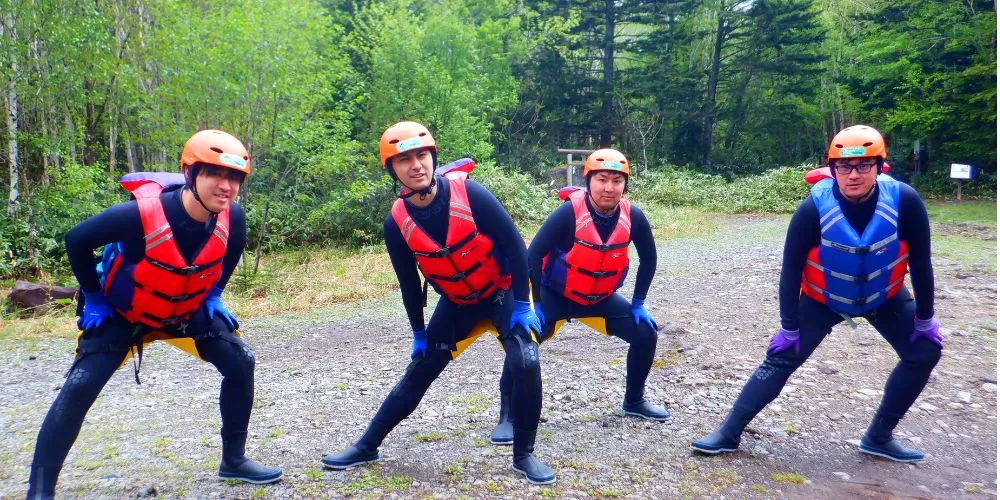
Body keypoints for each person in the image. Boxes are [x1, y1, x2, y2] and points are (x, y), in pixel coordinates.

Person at [26, 130, 282, 499]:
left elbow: (233, 248)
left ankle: (234, 461)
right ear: (190, 173)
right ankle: (40, 489)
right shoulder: (139, 216)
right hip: (124, 312)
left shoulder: (233, 217)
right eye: (215, 174)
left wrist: (214, 294)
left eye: (234, 178)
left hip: (184, 311)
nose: (225, 186)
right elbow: (76, 240)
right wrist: (94, 299)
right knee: (80, 386)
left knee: (241, 361)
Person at [320, 121, 555, 484]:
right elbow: (409, 284)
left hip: (501, 293)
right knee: (420, 370)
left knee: (525, 359)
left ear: (433, 157)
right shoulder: (395, 223)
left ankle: (524, 455)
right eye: (405, 159)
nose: (416, 165)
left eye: (422, 155)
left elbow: (514, 245)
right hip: (457, 303)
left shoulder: (471, 194)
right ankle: (367, 445)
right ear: (392, 169)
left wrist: (524, 304)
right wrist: (418, 331)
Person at [691, 125, 942, 462]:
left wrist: (925, 319)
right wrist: (788, 327)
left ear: (880, 167)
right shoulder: (812, 210)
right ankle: (728, 432)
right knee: (782, 356)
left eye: (864, 165)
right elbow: (791, 270)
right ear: (832, 168)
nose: (853, 175)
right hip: (823, 299)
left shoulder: (905, 202)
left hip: (884, 296)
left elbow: (921, 263)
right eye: (844, 166)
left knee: (925, 352)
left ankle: (879, 437)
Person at [488, 148, 667, 446]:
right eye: (602, 179)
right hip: (557, 296)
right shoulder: (568, 213)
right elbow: (533, 256)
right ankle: (508, 416)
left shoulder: (633, 216)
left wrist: (638, 303)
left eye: (617, 181)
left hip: (599, 299)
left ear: (625, 185)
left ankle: (634, 400)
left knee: (646, 332)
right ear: (588, 181)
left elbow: (649, 258)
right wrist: (537, 303)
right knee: (523, 341)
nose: (609, 187)